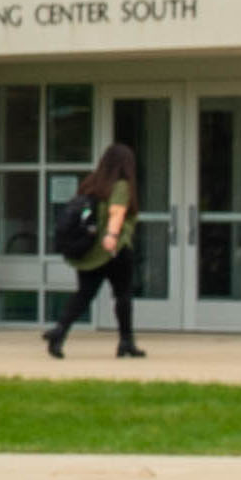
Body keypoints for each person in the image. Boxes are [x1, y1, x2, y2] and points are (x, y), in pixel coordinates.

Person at [46, 140, 145, 359]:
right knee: (123, 295)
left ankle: (59, 331)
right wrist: (111, 236)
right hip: (114, 249)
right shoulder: (121, 185)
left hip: (89, 250)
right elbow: (117, 213)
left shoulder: (91, 183)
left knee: (84, 294)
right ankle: (126, 341)